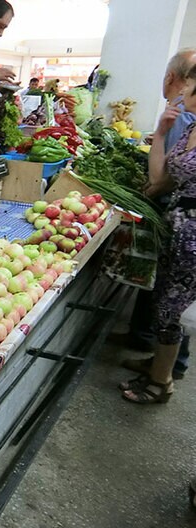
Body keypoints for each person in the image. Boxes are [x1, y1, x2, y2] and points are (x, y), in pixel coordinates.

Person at [113, 49, 196, 381]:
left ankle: (163, 380)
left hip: (193, 234)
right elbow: (160, 176)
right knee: (164, 303)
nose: (181, 94)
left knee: (171, 307)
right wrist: (161, 134)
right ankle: (159, 368)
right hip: (178, 228)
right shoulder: (187, 129)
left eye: (188, 88)